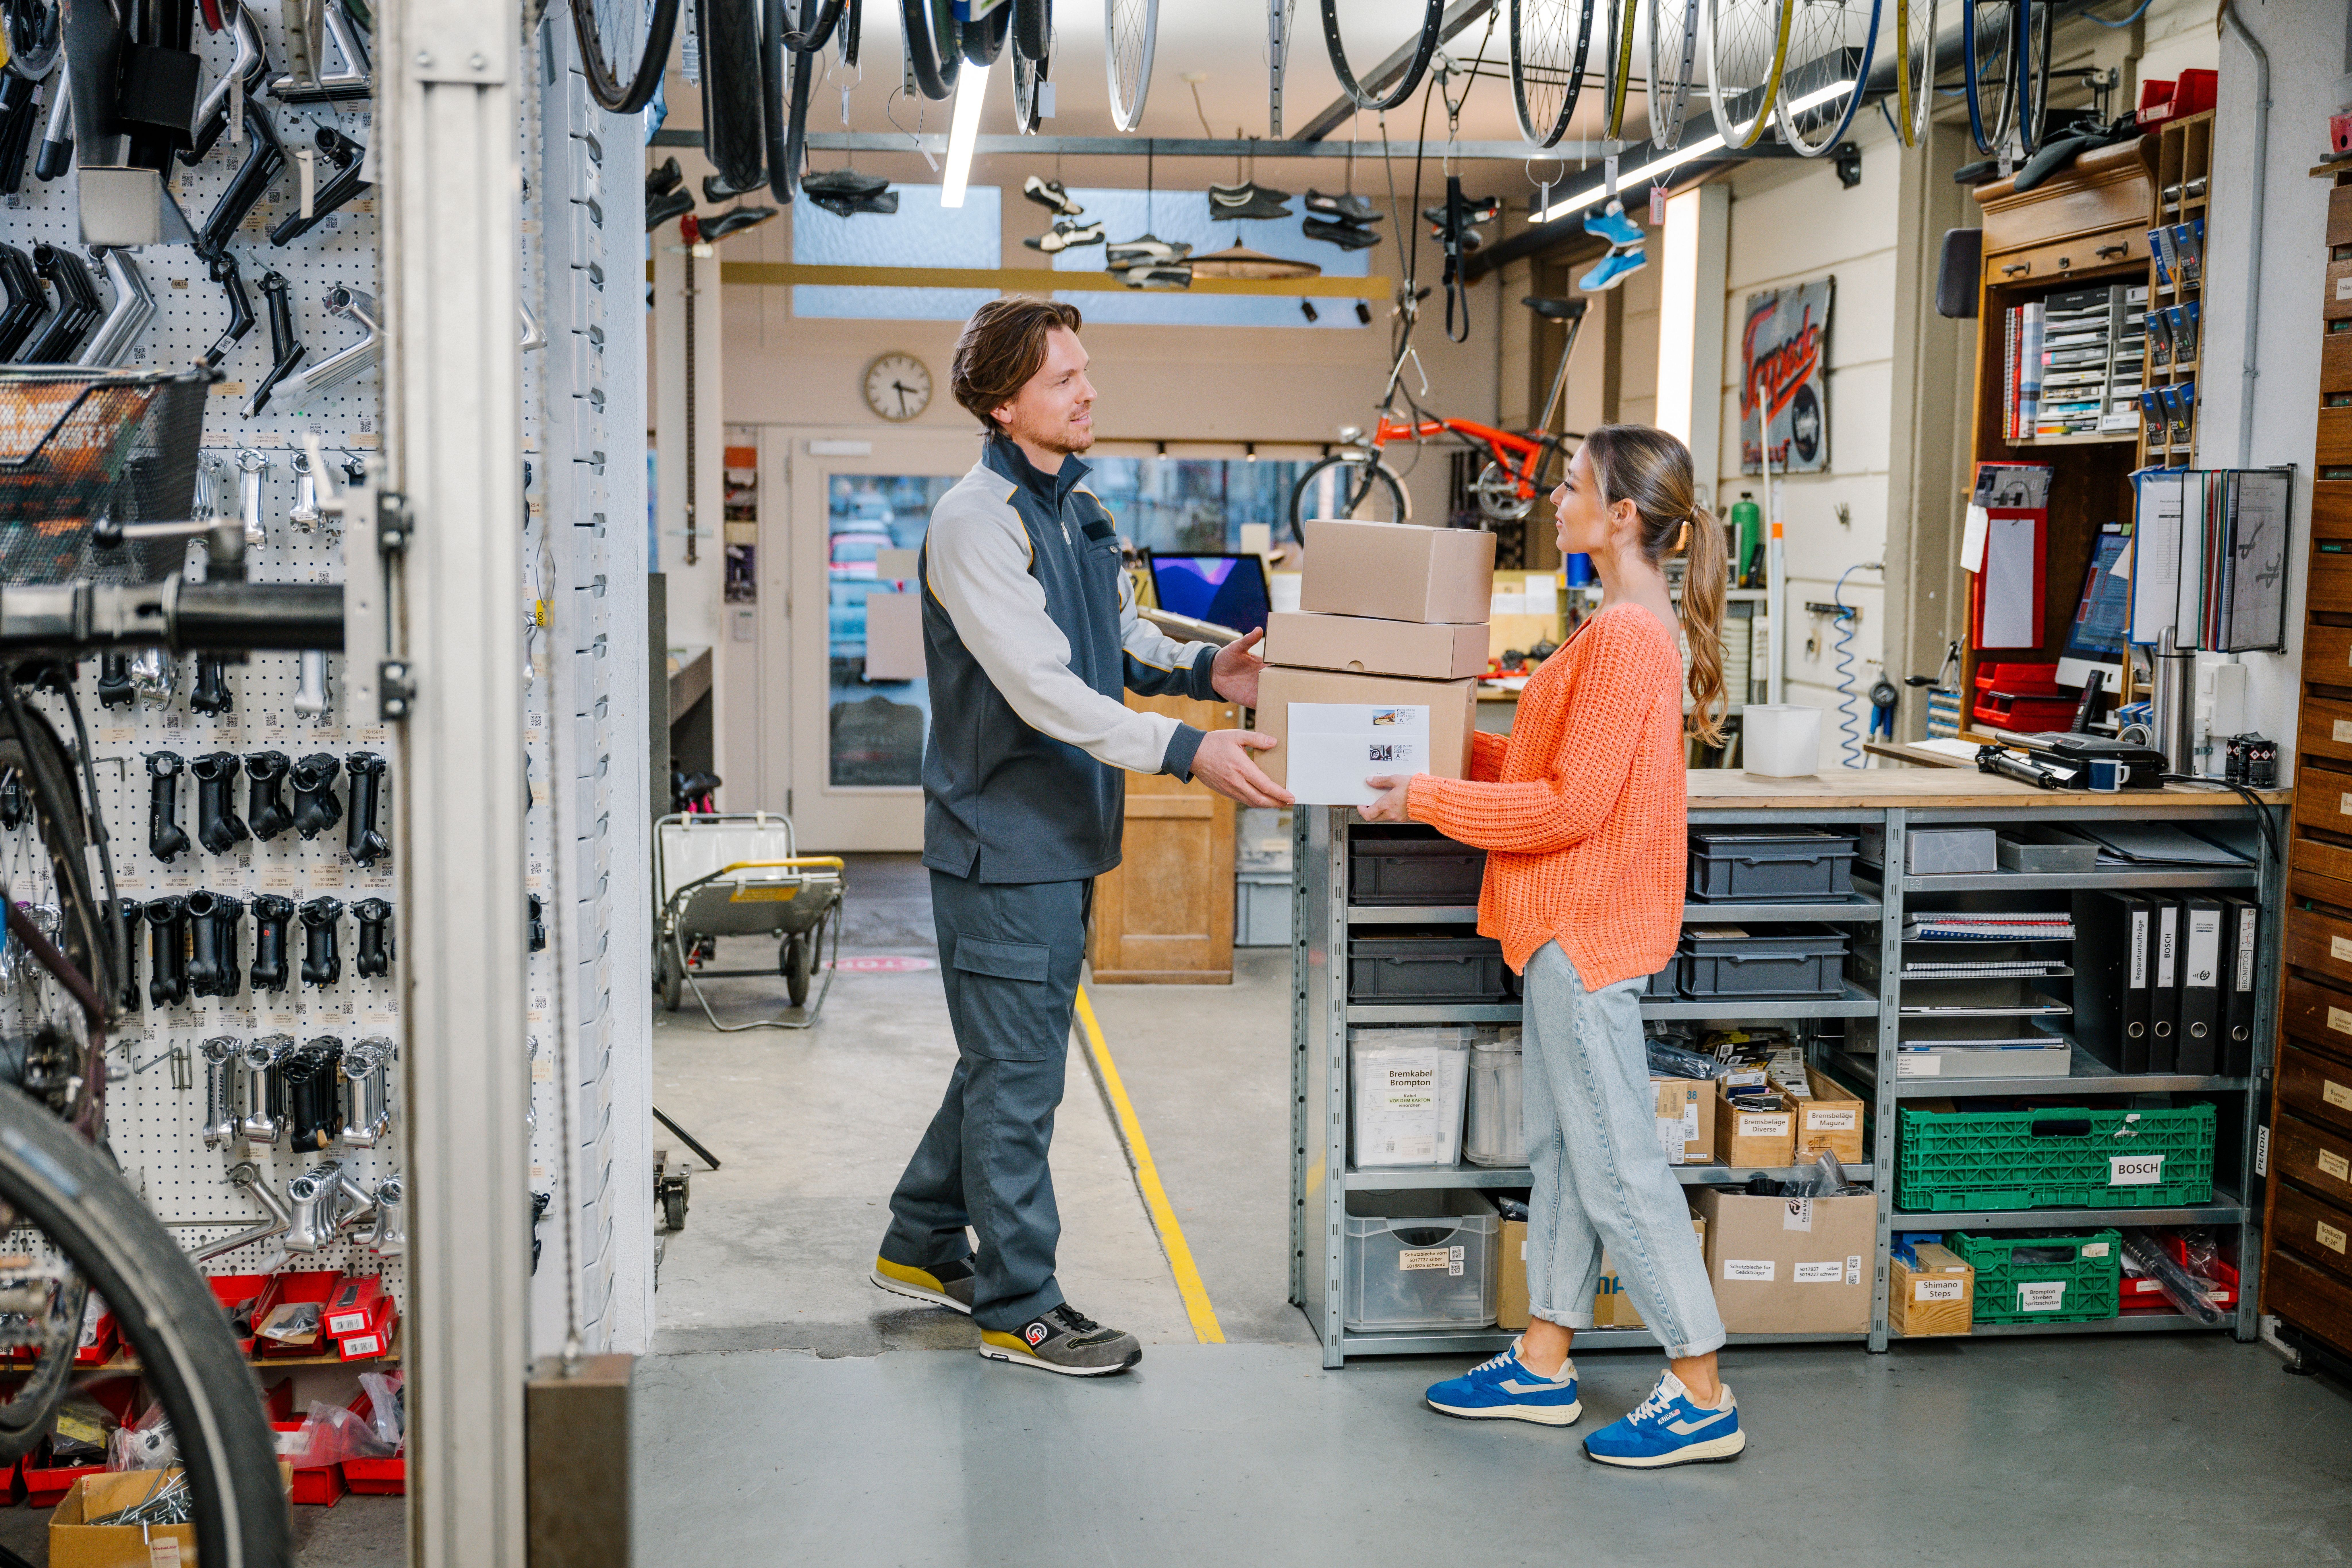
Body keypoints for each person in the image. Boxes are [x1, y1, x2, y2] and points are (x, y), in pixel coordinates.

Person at [871, 298, 1292, 1377]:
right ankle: (1020, 1307)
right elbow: (1045, 687)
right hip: (1000, 845)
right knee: (1019, 1079)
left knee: (1005, 1061)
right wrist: (1186, 749)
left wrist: (1209, 672)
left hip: (1061, 840)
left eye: (1086, 372)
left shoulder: (1075, 505)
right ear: (1005, 401)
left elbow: (1117, 630)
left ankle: (923, 1238)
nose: (1089, 392)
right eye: (1064, 379)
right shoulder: (977, 522)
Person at [1358, 424, 1742, 1468]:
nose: (1556, 498)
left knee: (1617, 1161)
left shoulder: (1626, 635)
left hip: (1587, 925)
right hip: (1575, 924)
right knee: (1567, 1153)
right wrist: (1428, 747)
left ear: (1623, 515)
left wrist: (1428, 796)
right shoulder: (1619, 624)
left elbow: (1568, 808)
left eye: (1573, 485)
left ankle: (1701, 1384)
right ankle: (1542, 1360)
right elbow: (1554, 763)